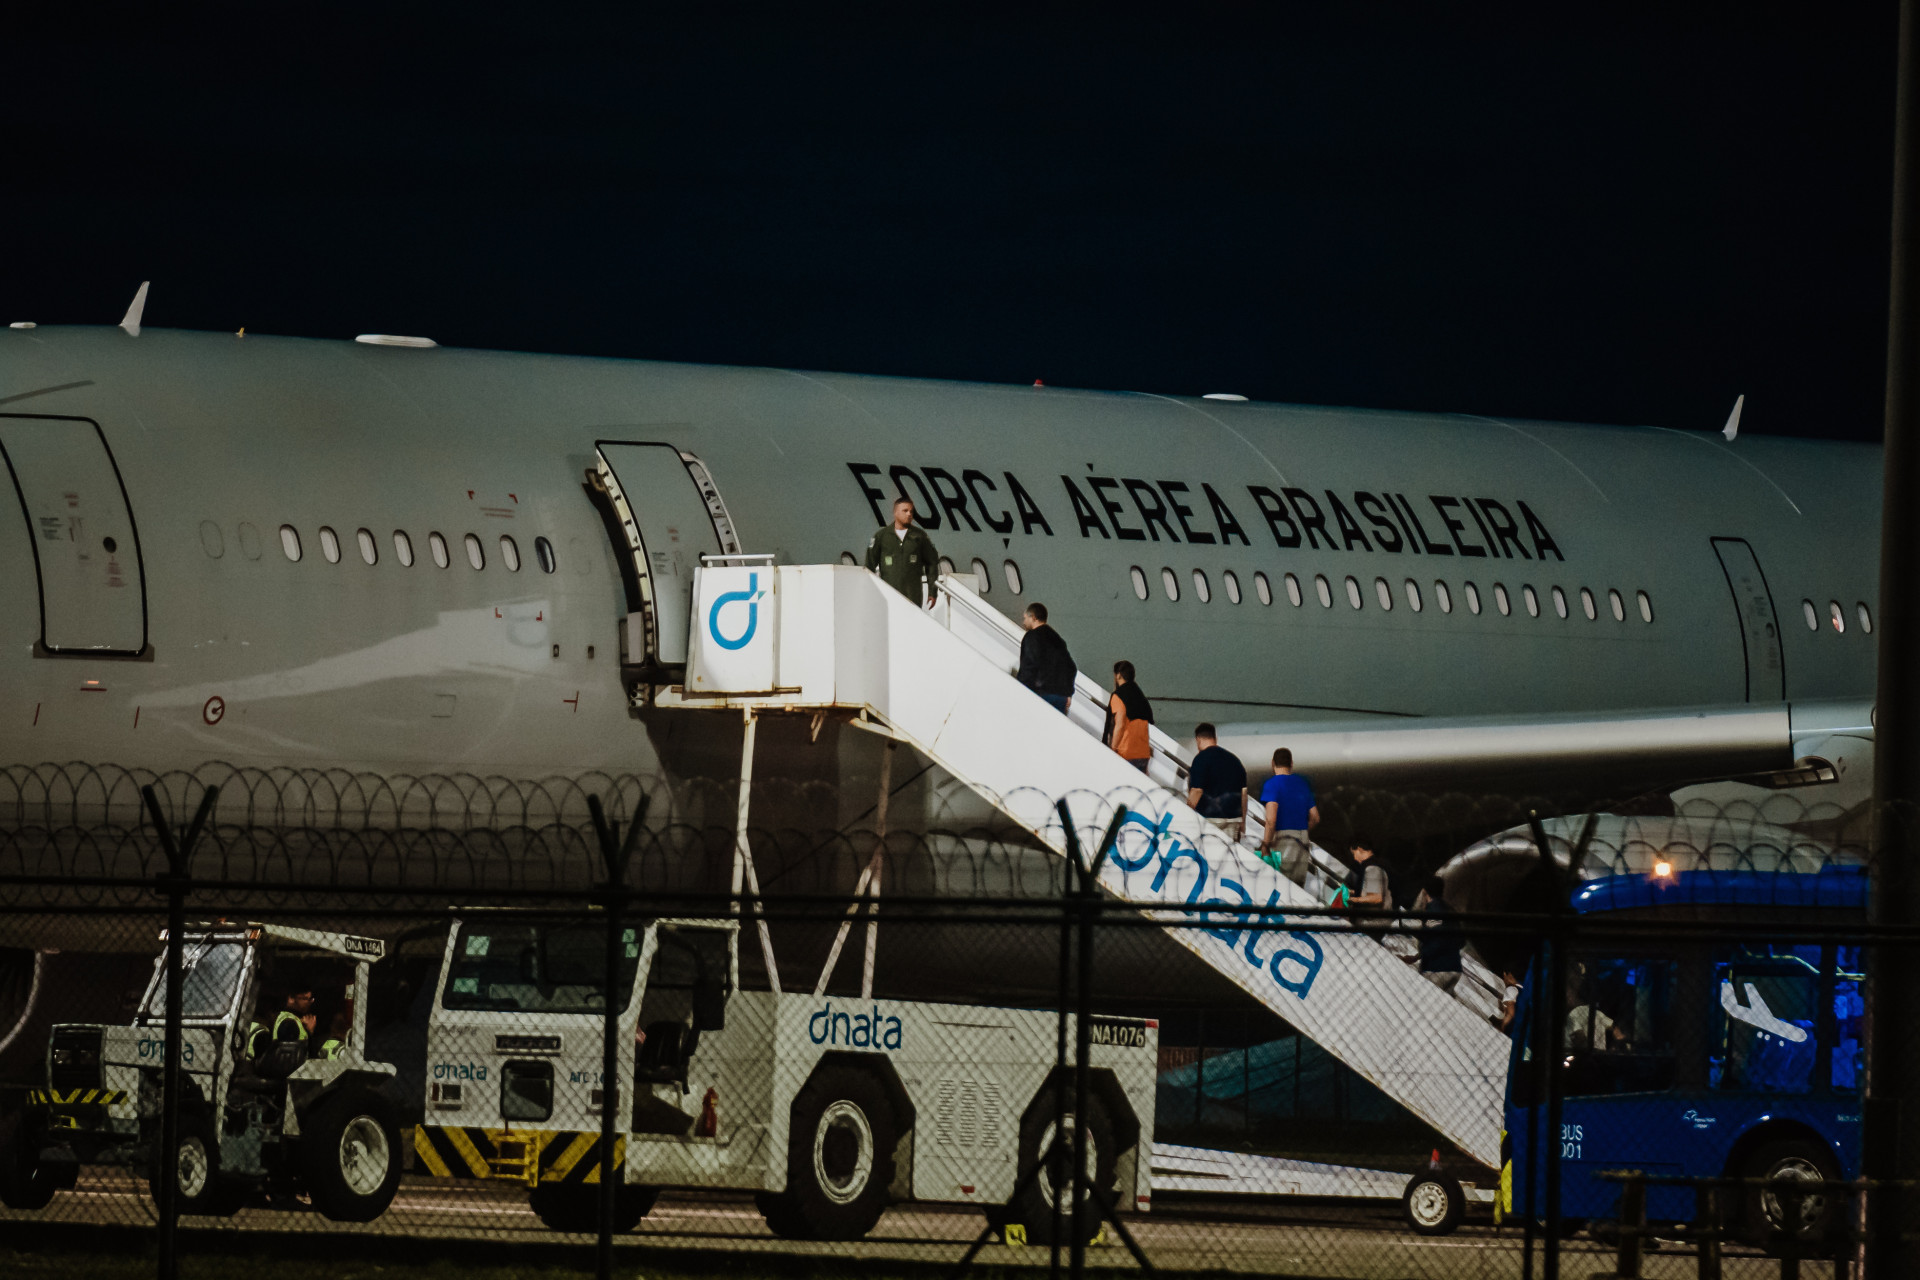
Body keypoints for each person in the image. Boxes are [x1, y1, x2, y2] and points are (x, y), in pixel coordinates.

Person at [863, 495, 939, 607]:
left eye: (911, 511)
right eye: (905, 511)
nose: (909, 514)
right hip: (888, 596)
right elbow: (869, 565)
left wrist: (933, 592)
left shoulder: (920, 536)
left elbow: (932, 563)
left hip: (913, 597)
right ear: (895, 513)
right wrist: (870, 592)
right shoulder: (882, 536)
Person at [1257, 749, 1319, 882]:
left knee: (1282, 887)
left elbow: (1271, 820)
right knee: (1297, 890)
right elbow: (1315, 817)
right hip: (1303, 840)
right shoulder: (1302, 783)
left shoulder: (1272, 784)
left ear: (1272, 763)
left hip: (1283, 840)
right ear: (1291, 763)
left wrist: (1265, 845)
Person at [1185, 724, 1248, 838]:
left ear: (1198, 740)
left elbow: (1197, 790)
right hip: (1233, 818)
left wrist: (1186, 814)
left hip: (1210, 818)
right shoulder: (1234, 760)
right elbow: (1244, 793)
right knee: (1229, 853)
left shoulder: (1200, 759)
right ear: (1215, 738)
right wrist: (1243, 820)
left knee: (1211, 852)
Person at [1016, 602, 1077, 714]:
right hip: (1060, 696)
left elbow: (1029, 665)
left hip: (1041, 693)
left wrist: (1020, 688)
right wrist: (1068, 693)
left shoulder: (1032, 637)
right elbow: (1071, 667)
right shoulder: (1057, 638)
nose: (1023, 622)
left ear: (1033, 617)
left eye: (1025, 618)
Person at [1104, 661, 1153, 772]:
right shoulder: (1139, 695)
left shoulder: (1119, 695)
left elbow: (1120, 724)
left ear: (1118, 675)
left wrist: (1113, 748)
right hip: (1143, 752)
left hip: (1126, 752)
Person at [1416, 876, 1462, 993]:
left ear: (1424, 891)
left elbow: (1436, 941)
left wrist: (1424, 954)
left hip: (1436, 968)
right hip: (1455, 968)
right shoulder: (1449, 910)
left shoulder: (1432, 910)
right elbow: (1462, 941)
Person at [1343, 834, 1393, 941]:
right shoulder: (1375, 865)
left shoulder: (1372, 868)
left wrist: (1353, 899)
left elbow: (1376, 898)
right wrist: (1351, 892)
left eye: (1354, 854)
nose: (1354, 858)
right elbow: (1368, 893)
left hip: (1372, 923)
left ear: (1360, 850)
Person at [248, 986, 315, 1060]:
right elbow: (288, 1055)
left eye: (310, 999)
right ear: (291, 999)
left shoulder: (295, 1020)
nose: (309, 1002)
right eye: (305, 999)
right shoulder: (289, 1022)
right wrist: (309, 1032)